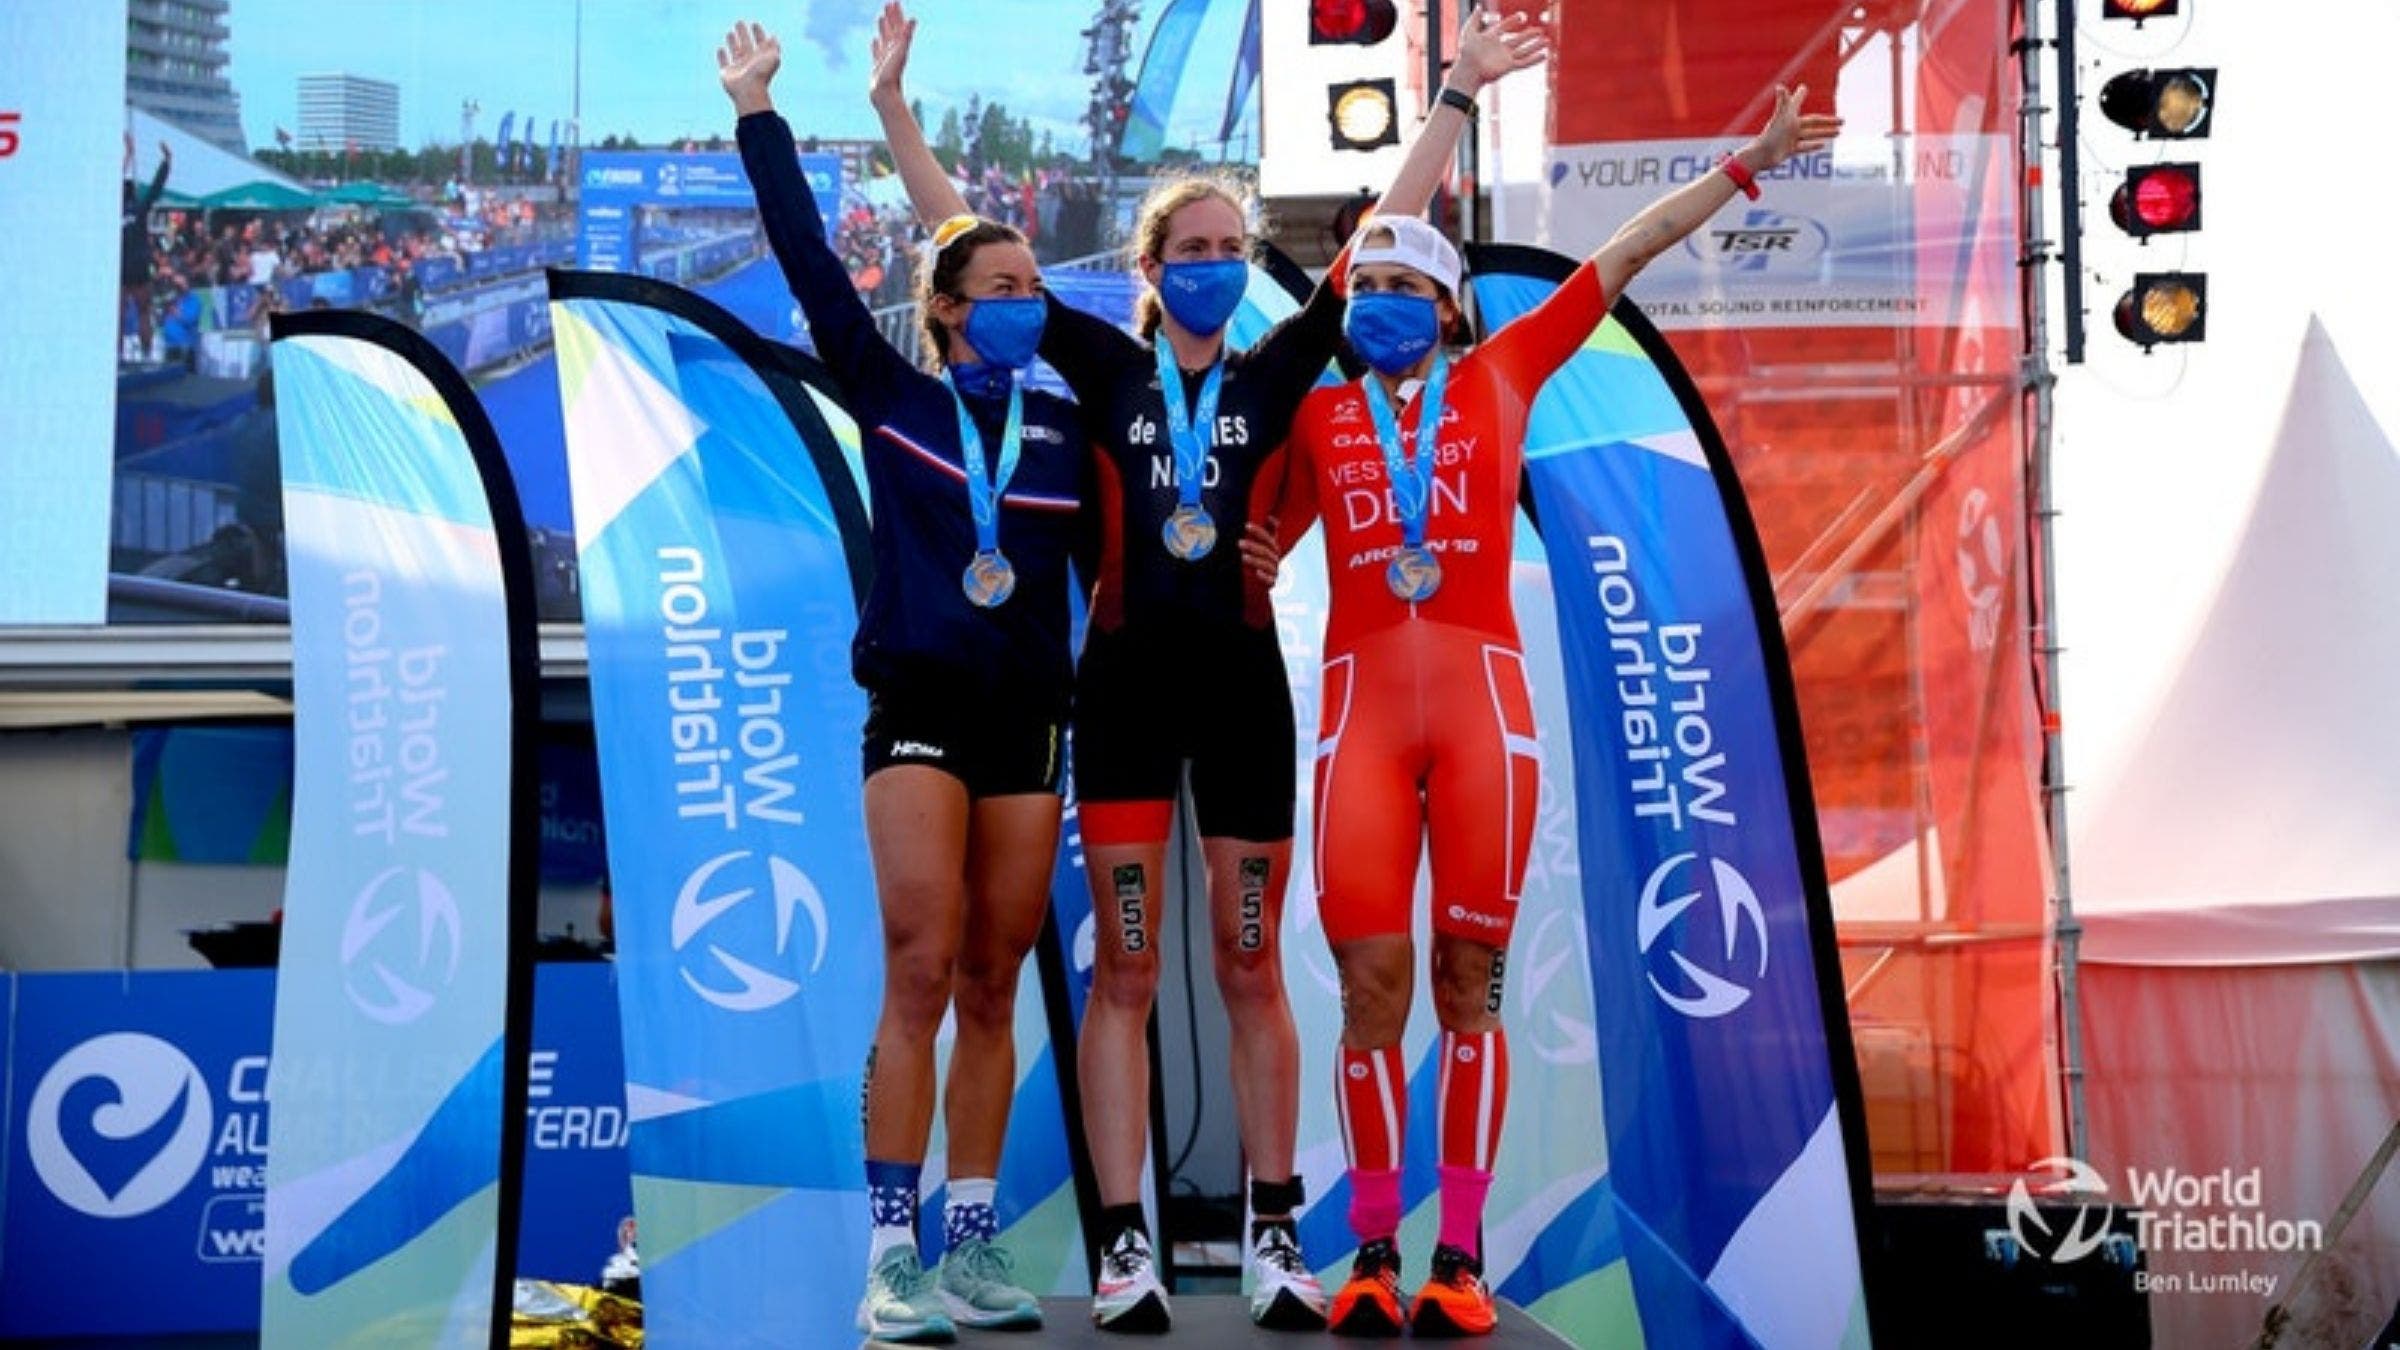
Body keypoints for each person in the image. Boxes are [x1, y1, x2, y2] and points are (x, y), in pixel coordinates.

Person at [866, 1, 1548, 1333]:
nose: (1218, 266)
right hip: (1117, 702)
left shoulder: (1285, 361)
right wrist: (897, 113)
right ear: (1149, 263)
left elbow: (1376, 248)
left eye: (1235, 250)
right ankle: (1127, 1252)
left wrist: (1455, 92)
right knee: (1125, 975)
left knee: (1249, 968)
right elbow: (973, 252)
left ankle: (1279, 1235)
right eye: (1194, 250)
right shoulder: (1104, 362)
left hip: (1242, 701)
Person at [1255, 88, 1840, 1339]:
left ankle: (1456, 1257)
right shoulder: (1313, 412)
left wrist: (1752, 162)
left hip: (1484, 725)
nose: (1382, 304)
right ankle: (1369, 1243)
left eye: (1408, 286)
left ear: (1453, 307)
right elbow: (1254, 543)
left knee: (1470, 982)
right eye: (1366, 287)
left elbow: (1623, 251)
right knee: (1369, 990)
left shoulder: (1507, 369)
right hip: (1360, 717)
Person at [721, 20, 1093, 1343]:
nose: (1027, 300)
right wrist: (762, 113)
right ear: (948, 309)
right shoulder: (890, 392)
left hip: (1028, 720)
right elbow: (813, 265)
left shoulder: (1063, 421)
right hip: (923, 707)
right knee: (922, 963)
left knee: (997, 977)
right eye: (1001, 285)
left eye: (1034, 283)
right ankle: (892, 1256)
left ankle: (976, 1246)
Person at [122, 135, 172, 362]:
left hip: (121, 265)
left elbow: (115, 179)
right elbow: (155, 188)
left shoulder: (109, 208)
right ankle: (145, 353)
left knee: (118, 316)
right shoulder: (140, 208)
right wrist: (166, 162)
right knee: (144, 312)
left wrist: (129, 154)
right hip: (140, 265)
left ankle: (117, 356)